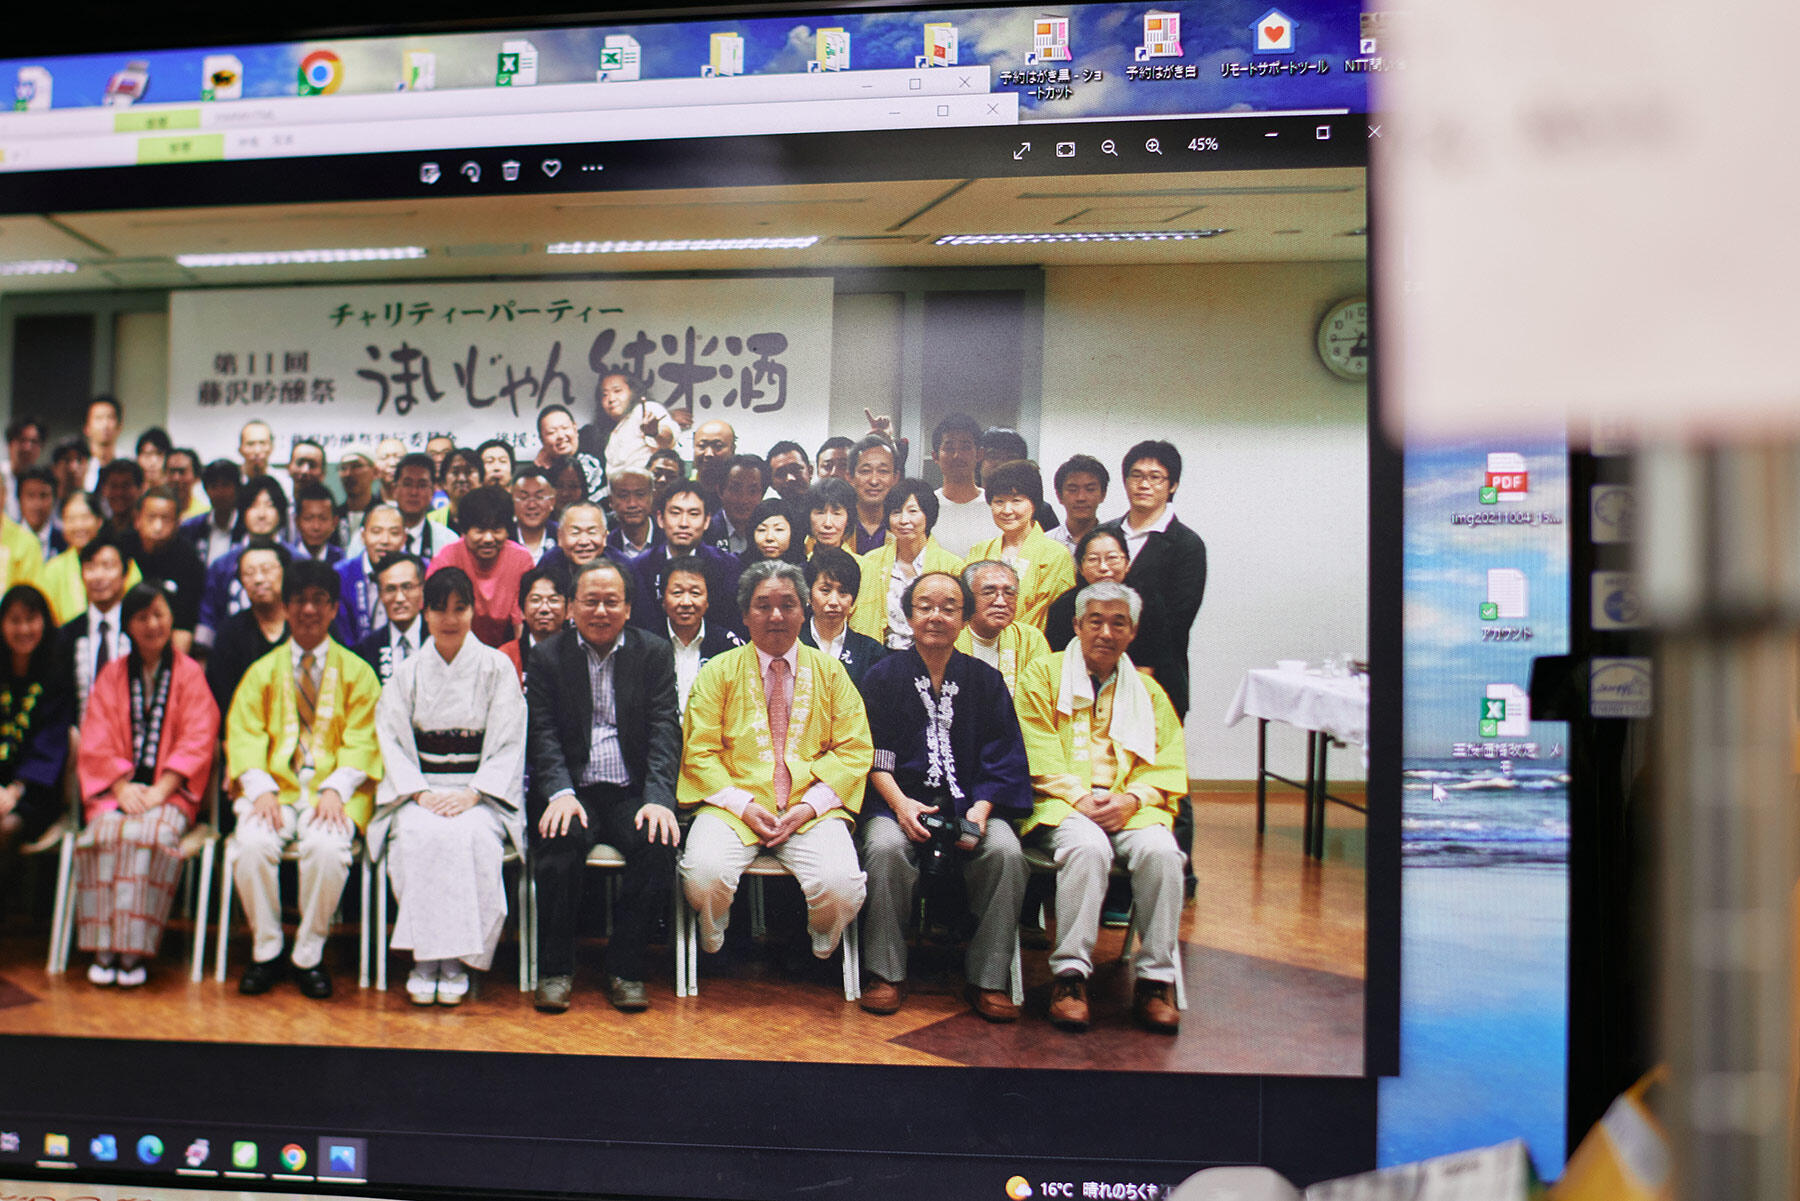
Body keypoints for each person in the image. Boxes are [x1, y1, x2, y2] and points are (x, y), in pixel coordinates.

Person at [677, 561, 871, 971]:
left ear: (804, 610)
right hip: (734, 807)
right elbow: (699, 751)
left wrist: (810, 806)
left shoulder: (832, 673)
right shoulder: (717, 672)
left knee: (843, 886)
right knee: (703, 874)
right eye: (762, 605)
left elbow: (854, 750)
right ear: (746, 614)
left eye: (787, 604)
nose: (776, 615)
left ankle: (822, 942)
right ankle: (714, 931)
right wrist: (742, 805)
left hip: (809, 808)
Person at [1014, 581, 1187, 1034]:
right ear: (1076, 625)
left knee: (1164, 853)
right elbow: (1035, 751)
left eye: (1118, 623)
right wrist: (1081, 799)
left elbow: (1167, 764)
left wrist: (1133, 800)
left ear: (1133, 632)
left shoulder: (1148, 691)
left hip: (1130, 805)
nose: (1106, 632)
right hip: (1061, 804)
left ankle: (1155, 980)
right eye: (1095, 621)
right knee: (1089, 849)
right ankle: (1070, 977)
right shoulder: (1043, 676)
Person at [856, 571, 1030, 1020]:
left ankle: (989, 979)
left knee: (1007, 854)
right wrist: (900, 805)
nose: (936, 616)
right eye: (925, 607)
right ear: (908, 615)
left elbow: (1003, 754)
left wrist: (982, 809)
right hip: (896, 801)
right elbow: (872, 753)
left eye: (949, 607)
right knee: (884, 848)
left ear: (965, 616)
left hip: (973, 805)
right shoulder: (883, 676)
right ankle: (886, 973)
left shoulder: (986, 681)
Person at [527, 559, 680, 1013]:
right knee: (558, 837)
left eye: (611, 601)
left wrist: (657, 798)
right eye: (589, 601)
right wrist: (559, 792)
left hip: (630, 790)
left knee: (657, 841)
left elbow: (664, 731)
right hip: (573, 790)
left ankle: (626, 967)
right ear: (571, 607)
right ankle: (555, 967)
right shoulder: (547, 656)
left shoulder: (652, 653)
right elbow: (543, 732)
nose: (600, 610)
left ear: (629, 608)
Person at [226, 559, 382, 999]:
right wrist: (259, 788)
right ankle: (267, 950)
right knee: (252, 844)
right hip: (276, 790)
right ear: (287, 605)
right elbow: (245, 733)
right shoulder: (262, 671)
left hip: (335, 791)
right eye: (300, 600)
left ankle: (308, 954)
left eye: (319, 600)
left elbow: (366, 739)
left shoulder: (358, 673)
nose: (309, 610)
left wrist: (337, 788)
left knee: (328, 847)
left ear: (333, 609)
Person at [371, 566, 527, 1007]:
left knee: (471, 836)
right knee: (417, 836)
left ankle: (456, 958)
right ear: (425, 612)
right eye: (440, 608)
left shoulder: (495, 667)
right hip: (421, 789)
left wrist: (473, 793)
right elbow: (393, 738)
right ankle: (425, 958)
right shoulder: (408, 671)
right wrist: (419, 792)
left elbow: (509, 740)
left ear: (474, 610)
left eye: (460, 608)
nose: (450, 618)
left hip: (477, 792)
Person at [75, 579, 219, 987]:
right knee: (102, 834)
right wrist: (122, 788)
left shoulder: (191, 676)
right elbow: (95, 737)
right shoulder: (111, 675)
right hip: (116, 793)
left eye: (159, 614)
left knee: (148, 835)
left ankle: (133, 949)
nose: (152, 624)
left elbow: (198, 739)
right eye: (141, 617)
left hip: (169, 795)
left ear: (171, 619)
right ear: (128, 625)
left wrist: (159, 791)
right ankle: (104, 946)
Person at [1107, 440, 1207, 722]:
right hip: (1099, 672)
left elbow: (1179, 617)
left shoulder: (1186, 544)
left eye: (1155, 477)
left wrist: (1142, 664)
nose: (1144, 484)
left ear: (1172, 485)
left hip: (1158, 675)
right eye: (1136, 476)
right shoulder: (1105, 534)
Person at [0, 584, 73, 892]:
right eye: (14, 621)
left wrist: (13, 792)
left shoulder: (57, 674)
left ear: (44, 621)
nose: (24, 629)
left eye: (31, 619)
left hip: (34, 793)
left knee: (5, 826)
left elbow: (53, 742)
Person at [849, 478, 964, 650]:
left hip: (933, 654)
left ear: (928, 515)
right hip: (882, 656)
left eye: (913, 511)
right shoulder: (871, 562)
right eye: (896, 512)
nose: (903, 520)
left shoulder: (952, 566)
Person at [966, 459, 1076, 632]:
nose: (1007, 510)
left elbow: (1054, 616)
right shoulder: (979, 551)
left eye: (1016, 500)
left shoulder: (1055, 555)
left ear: (1034, 504)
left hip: (1034, 650)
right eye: (999, 501)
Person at [628, 483, 741, 637]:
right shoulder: (638, 568)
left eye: (693, 514)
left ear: (707, 521)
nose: (684, 523)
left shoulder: (727, 566)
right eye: (675, 513)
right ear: (660, 519)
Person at [427, 485, 532, 648]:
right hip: (455, 647)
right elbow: (435, 616)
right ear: (464, 530)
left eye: (497, 529)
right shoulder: (447, 557)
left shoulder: (521, 559)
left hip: (507, 649)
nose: (488, 538)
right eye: (480, 530)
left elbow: (521, 623)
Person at [195, 474, 290, 652]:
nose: (261, 515)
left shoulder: (296, 560)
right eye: (253, 506)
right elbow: (209, 615)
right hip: (233, 651)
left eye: (269, 506)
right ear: (242, 512)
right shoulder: (222, 565)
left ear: (280, 511)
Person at [1044, 527, 1166, 664]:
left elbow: (1148, 663)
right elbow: (1058, 661)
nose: (1103, 567)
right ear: (1081, 567)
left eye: (1112, 558)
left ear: (1127, 564)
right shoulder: (1063, 607)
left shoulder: (1148, 602)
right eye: (1093, 559)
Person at [54, 531, 134, 718]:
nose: (98, 576)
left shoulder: (138, 628)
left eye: (107, 566)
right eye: (90, 567)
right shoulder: (67, 634)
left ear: (125, 573)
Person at [205, 539, 290, 714]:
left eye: (266, 570)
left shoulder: (306, 623)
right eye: (249, 573)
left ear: (285, 572)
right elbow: (221, 693)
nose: (258, 579)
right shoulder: (230, 632)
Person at [124, 486, 206, 654]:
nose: (158, 526)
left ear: (178, 523)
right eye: (151, 517)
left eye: (166, 519)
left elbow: (185, 626)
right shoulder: (121, 547)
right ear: (138, 519)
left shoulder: (189, 560)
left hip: (168, 643)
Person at [42, 494, 139, 628]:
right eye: (70, 519)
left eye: (84, 518)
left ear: (99, 521)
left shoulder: (120, 559)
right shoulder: (53, 569)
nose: (78, 526)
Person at [956, 560, 1052, 695]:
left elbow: (1039, 696)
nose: (1001, 602)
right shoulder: (950, 637)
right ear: (967, 598)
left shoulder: (1030, 639)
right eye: (989, 592)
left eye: (1009, 593)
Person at [661, 560, 742, 714]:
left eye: (695, 593)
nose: (686, 602)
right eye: (677, 593)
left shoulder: (728, 645)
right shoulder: (647, 645)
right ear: (663, 600)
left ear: (707, 601)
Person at [798, 548, 884, 688]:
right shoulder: (790, 643)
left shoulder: (871, 652)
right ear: (808, 594)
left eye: (843, 592)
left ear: (853, 598)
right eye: (825, 590)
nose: (833, 601)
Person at [332, 503, 406, 647]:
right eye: (376, 532)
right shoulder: (340, 575)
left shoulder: (418, 571)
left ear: (404, 538)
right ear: (363, 535)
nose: (384, 540)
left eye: (394, 533)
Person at [353, 552, 427, 684]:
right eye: (390, 589)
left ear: (422, 589)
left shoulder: (439, 639)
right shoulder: (366, 649)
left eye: (407, 587)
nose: (399, 598)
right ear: (380, 594)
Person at [927, 414, 991, 558]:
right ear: (935, 456)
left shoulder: (995, 506)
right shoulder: (925, 507)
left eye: (966, 447)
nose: (957, 455)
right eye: (949, 448)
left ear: (979, 454)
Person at [499, 562, 569, 685]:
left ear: (569, 609)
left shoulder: (579, 652)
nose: (544, 609)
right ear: (521, 611)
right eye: (535, 600)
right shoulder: (506, 656)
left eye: (553, 600)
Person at [597, 371, 677, 478]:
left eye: (617, 391)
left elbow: (668, 441)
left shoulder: (646, 409)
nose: (611, 399)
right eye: (605, 395)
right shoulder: (614, 431)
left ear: (633, 391)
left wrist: (655, 432)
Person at [979, 428, 1059, 531]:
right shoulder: (970, 502)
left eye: (1010, 457)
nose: (1001, 463)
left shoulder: (1040, 510)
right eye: (993, 456)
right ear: (978, 460)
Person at [534, 405, 606, 504]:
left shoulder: (593, 438)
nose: (560, 436)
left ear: (575, 428)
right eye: (551, 432)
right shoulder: (541, 473)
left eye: (565, 428)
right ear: (541, 439)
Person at [179, 459, 241, 567]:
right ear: (206, 490)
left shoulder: (245, 528)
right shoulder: (191, 528)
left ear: (237, 488)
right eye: (213, 486)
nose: (220, 492)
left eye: (226, 485)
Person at [706, 455, 769, 557]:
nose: (744, 499)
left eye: (752, 491)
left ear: (762, 494)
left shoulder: (769, 535)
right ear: (720, 491)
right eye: (735, 489)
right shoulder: (706, 533)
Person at [1050, 454, 1110, 556]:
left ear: (1103, 494)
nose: (1081, 497)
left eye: (1090, 489)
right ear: (1059, 496)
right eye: (1073, 490)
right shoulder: (1046, 543)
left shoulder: (1114, 543)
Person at [848, 434, 899, 555]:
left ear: (895, 478)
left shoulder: (905, 527)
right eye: (865, 471)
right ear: (850, 477)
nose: (874, 481)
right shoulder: (837, 525)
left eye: (883, 471)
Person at [602, 467, 660, 567]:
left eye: (640, 495)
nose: (632, 504)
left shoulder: (667, 540)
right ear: (611, 501)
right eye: (623, 496)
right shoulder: (606, 545)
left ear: (652, 497)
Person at [391, 452, 442, 560]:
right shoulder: (373, 537)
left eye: (422, 485)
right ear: (395, 489)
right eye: (407, 484)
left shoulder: (446, 539)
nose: (414, 492)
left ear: (432, 492)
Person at [508, 465, 558, 566]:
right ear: (512, 503)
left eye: (539, 497)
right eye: (523, 497)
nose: (531, 505)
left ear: (552, 502)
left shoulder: (561, 536)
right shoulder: (504, 538)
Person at [335, 450, 380, 553]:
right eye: (343, 468)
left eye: (356, 466)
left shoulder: (385, 514)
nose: (349, 474)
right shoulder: (334, 515)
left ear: (375, 472)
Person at [430, 447, 483, 534]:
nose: (461, 479)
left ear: (481, 481)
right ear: (443, 483)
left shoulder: (493, 520)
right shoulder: (431, 521)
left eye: (468, 472)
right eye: (455, 472)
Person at [1, 419, 45, 523]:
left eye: (34, 442)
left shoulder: (43, 481)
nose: (28, 447)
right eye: (22, 440)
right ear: (10, 444)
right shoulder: (1, 476)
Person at [741, 497, 804, 569]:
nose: (769, 538)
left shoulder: (806, 571)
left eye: (779, 529)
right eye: (762, 530)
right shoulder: (736, 567)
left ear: (793, 533)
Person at [288, 483, 343, 566]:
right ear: (297, 522)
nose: (316, 527)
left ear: (334, 522)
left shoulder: (341, 560)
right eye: (308, 518)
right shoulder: (287, 558)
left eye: (323, 518)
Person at [16, 466, 63, 562]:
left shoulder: (64, 541)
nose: (37, 504)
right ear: (19, 500)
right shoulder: (7, 540)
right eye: (30, 495)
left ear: (54, 500)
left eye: (43, 495)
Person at [802, 477, 857, 556]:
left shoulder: (865, 566)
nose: (828, 524)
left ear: (848, 519)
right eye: (820, 513)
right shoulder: (800, 567)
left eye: (836, 513)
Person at [81, 397, 123, 490]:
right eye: (98, 418)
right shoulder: (80, 467)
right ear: (86, 427)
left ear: (120, 426)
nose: (105, 424)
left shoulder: (128, 465)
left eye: (110, 417)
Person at [96, 459, 145, 534]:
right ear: (104, 490)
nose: (119, 493)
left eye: (126, 486)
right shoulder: (99, 532)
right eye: (114, 486)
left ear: (140, 490)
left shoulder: (145, 532)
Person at [690, 419, 736, 497]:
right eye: (702, 446)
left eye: (718, 446)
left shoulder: (741, 497)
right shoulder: (682, 491)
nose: (709, 454)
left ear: (732, 450)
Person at [164, 447, 207, 521]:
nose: (176, 478)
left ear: (197, 477)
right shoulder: (155, 511)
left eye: (182, 472)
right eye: (172, 471)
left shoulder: (203, 515)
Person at [766, 440, 813, 507]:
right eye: (781, 473)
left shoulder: (829, 508)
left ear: (810, 471)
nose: (790, 478)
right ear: (771, 482)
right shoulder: (767, 514)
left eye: (795, 469)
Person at [50, 437, 91, 506]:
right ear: (54, 468)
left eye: (79, 460)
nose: (73, 468)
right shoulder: (46, 507)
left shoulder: (95, 506)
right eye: (67, 460)